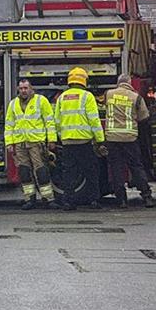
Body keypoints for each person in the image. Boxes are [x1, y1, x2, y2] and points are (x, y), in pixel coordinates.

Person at [53, 67, 106, 211]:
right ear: (84, 80)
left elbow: (57, 121)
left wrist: (61, 137)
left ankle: (68, 202)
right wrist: (100, 140)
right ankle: (94, 200)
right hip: (84, 142)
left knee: (69, 173)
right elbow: (94, 120)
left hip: (68, 142)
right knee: (91, 171)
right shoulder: (87, 96)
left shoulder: (62, 97)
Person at [103, 74, 156, 208]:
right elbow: (144, 117)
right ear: (129, 83)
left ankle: (121, 200)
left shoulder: (108, 94)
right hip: (129, 138)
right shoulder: (136, 97)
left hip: (112, 138)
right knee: (136, 167)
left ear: (118, 83)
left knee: (116, 168)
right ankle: (146, 196)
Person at [5, 79, 57, 210]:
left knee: (41, 171)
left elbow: (49, 122)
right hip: (20, 143)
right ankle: (29, 199)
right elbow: (9, 125)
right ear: (18, 89)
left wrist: (51, 140)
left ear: (31, 89)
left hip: (36, 143)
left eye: (26, 88)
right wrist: (9, 143)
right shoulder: (13, 104)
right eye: (21, 88)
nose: (23, 90)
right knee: (24, 172)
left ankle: (48, 199)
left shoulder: (41, 101)